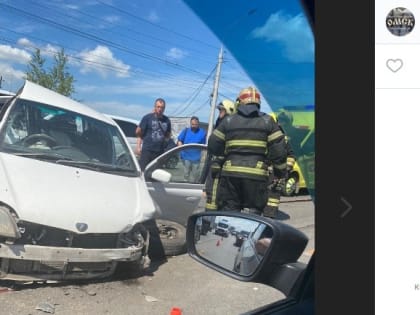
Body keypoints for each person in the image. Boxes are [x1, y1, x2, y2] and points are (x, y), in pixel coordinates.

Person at [207, 87, 288, 214]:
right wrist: (280, 173)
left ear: (240, 102)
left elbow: (213, 144)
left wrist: (222, 158)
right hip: (257, 177)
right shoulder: (268, 121)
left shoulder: (229, 120)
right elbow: (279, 151)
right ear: (258, 103)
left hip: (230, 175)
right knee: (254, 214)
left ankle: (230, 233)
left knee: (230, 212)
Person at [204, 99, 236, 211]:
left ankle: (210, 217)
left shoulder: (227, 125)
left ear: (228, 111)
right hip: (214, 163)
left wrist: (219, 160)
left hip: (220, 167)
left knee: (214, 194)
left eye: (221, 109)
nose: (219, 112)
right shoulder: (220, 123)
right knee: (211, 192)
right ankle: (209, 215)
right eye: (219, 109)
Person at [263, 112, 296, 218]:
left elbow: (291, 155)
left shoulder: (290, 138)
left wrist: (286, 169)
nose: (281, 123)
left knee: (274, 196)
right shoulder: (269, 133)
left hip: (278, 172)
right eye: (280, 120)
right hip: (265, 169)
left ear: (289, 123)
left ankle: (270, 217)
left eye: (284, 120)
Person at [135, 98, 172, 171]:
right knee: (143, 172)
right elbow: (138, 133)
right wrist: (138, 146)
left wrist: (165, 145)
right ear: (154, 107)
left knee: (156, 174)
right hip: (147, 151)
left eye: (162, 107)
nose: (160, 109)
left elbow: (168, 135)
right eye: (158, 107)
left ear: (164, 108)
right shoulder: (147, 118)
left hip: (159, 153)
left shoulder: (167, 120)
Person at [177, 116, 206, 182]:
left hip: (196, 159)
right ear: (190, 124)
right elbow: (179, 140)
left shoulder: (202, 132)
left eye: (195, 124)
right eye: (192, 124)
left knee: (195, 176)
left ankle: (194, 189)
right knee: (186, 175)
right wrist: (180, 147)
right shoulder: (186, 131)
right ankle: (184, 188)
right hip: (186, 157)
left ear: (198, 124)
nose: (194, 126)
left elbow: (204, 145)